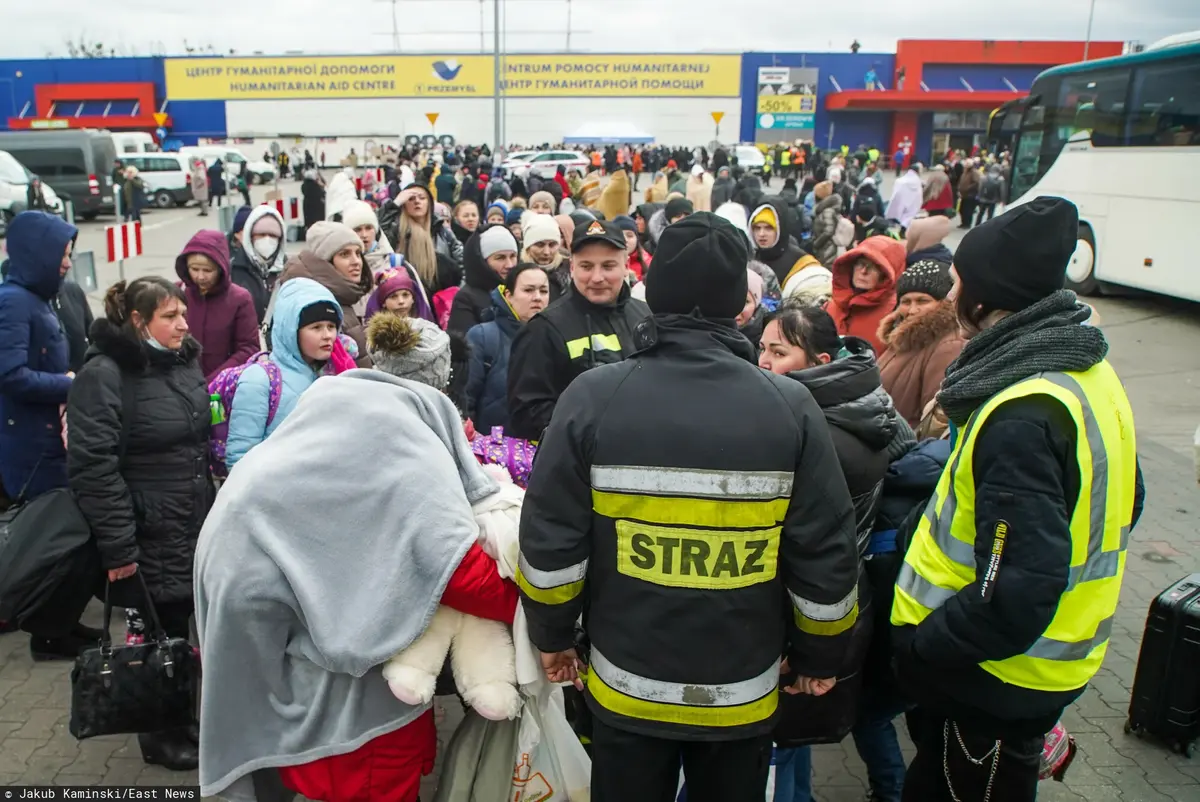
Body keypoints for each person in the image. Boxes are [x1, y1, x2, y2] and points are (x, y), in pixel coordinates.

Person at [518, 213, 860, 802]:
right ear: (739, 304)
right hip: (740, 693)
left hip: (627, 690)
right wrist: (819, 653)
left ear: (655, 290)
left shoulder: (595, 397)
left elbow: (551, 539)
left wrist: (552, 636)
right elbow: (825, 549)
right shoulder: (792, 407)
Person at [892, 197, 1145, 802]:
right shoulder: (1086, 371)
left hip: (992, 680)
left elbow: (1014, 594)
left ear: (990, 298)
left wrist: (926, 649)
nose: (952, 299)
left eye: (960, 285)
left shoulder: (1022, 414)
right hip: (1032, 670)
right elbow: (1126, 501)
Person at [195, 367, 518, 802]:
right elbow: (456, 570)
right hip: (347, 711)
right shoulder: (399, 452)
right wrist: (552, 610)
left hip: (277, 672)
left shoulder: (295, 460)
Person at [757, 301, 911, 802]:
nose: (762, 362)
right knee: (793, 739)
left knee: (777, 743)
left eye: (778, 352)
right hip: (836, 600)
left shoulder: (822, 432)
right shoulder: (859, 401)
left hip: (811, 608)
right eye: (761, 348)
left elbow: (807, 550)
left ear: (820, 361)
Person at [68, 276, 213, 770]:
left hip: (189, 517)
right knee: (155, 631)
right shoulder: (105, 374)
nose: (182, 324)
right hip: (144, 527)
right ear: (137, 321)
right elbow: (93, 465)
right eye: (169, 317)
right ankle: (159, 734)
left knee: (179, 629)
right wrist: (119, 548)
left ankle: (184, 716)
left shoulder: (182, 358)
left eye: (182, 314)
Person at [0, 212, 102, 657]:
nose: (67, 262)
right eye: (63, 253)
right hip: (31, 446)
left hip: (49, 439)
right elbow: (11, 375)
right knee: (59, 539)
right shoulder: (14, 302)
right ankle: (47, 628)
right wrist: (72, 382)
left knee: (70, 538)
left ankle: (57, 623)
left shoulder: (40, 298)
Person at [506, 219, 650, 441]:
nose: (597, 277)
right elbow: (527, 414)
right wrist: (598, 428)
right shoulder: (544, 329)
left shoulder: (646, 317)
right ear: (572, 267)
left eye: (608, 266)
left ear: (625, 267)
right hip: (580, 466)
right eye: (586, 266)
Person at [225, 278, 342, 470]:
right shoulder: (260, 379)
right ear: (291, 331)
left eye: (331, 326)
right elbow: (240, 457)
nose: (328, 335)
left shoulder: (334, 375)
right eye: (316, 327)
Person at [876, 260, 964, 429]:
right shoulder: (902, 337)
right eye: (906, 301)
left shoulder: (948, 346)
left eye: (922, 301)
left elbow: (935, 421)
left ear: (943, 303)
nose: (912, 310)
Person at [464, 262, 550, 434]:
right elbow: (466, 399)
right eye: (528, 290)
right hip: (491, 453)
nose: (537, 297)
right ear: (508, 295)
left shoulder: (556, 337)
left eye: (543, 291)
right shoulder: (482, 337)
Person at [279, 221, 373, 367]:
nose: (356, 262)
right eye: (344, 254)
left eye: (358, 253)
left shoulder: (342, 297)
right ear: (326, 262)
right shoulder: (317, 304)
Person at [174, 231, 260, 382]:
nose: (200, 276)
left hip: (222, 387)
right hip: (181, 385)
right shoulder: (176, 293)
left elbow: (248, 348)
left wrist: (215, 380)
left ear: (221, 268)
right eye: (194, 269)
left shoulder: (239, 299)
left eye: (207, 270)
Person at [378, 185, 464, 297]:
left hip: (441, 298)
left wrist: (459, 293)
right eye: (411, 198)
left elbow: (462, 261)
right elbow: (378, 228)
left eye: (422, 198)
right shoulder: (396, 231)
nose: (417, 202)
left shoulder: (442, 231)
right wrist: (395, 204)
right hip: (406, 297)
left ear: (429, 203)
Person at [825, 236, 905, 354]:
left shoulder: (896, 314)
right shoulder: (833, 304)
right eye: (860, 264)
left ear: (886, 275)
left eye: (874, 267)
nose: (863, 271)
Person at [228, 205, 286, 325]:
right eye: (261, 234)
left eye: (273, 236)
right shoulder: (233, 269)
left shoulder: (289, 270)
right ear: (250, 236)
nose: (267, 240)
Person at [749, 198, 811, 285]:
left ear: (780, 229)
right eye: (757, 228)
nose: (761, 234)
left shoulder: (801, 261)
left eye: (769, 228)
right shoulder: (750, 257)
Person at [520, 212, 570, 301]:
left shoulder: (570, 272)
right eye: (540, 245)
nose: (546, 252)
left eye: (552, 245)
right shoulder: (516, 272)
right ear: (528, 246)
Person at [810, 181, 844, 266]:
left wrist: (816, 243)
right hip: (825, 249)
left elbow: (828, 231)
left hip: (827, 250)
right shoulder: (824, 209)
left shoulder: (827, 211)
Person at [886, 164, 924, 233]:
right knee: (909, 216)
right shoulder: (917, 180)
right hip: (913, 202)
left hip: (902, 200)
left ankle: (902, 228)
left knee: (902, 214)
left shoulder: (901, 180)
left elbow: (897, 189)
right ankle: (904, 230)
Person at [614, 215, 651, 282]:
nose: (625, 240)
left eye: (629, 236)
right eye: (620, 235)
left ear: (637, 239)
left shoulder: (650, 262)